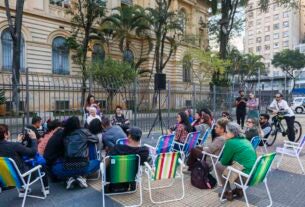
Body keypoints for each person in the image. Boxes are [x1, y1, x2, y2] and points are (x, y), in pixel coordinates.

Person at [51, 116, 99, 189]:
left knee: (55, 168)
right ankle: (81, 176)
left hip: (68, 167)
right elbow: (96, 139)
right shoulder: (84, 132)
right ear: (78, 124)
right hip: (83, 166)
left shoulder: (64, 134)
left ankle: (71, 177)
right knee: (97, 162)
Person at [0, 124, 49, 194]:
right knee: (41, 162)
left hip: (5, 180)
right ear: (5, 134)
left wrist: (18, 143)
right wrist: (34, 139)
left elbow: (10, 152)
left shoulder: (14, 145)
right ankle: (46, 187)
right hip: (22, 178)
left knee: (19, 163)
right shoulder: (14, 146)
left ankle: (22, 190)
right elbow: (33, 152)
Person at [216, 122, 257, 201]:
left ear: (232, 134)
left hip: (244, 178)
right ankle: (238, 190)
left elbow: (224, 162)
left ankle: (228, 191)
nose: (225, 133)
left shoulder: (230, 142)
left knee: (218, 165)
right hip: (254, 175)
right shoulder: (245, 140)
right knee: (229, 166)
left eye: (226, 132)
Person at [106, 127, 149, 193]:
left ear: (129, 137)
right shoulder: (144, 151)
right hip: (131, 177)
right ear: (139, 138)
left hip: (114, 178)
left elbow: (106, 161)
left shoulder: (118, 148)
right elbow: (141, 163)